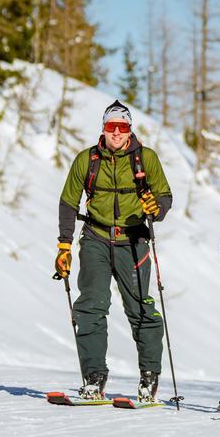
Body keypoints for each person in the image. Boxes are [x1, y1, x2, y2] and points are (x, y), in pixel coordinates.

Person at [54, 100, 173, 401]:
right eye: (111, 127)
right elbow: (69, 201)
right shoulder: (87, 159)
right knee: (91, 305)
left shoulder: (145, 158)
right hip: (95, 236)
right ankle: (94, 377)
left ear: (130, 129)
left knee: (140, 308)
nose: (117, 133)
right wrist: (64, 245)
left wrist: (155, 209)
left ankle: (149, 376)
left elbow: (164, 196)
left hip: (132, 241)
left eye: (122, 127)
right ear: (103, 129)